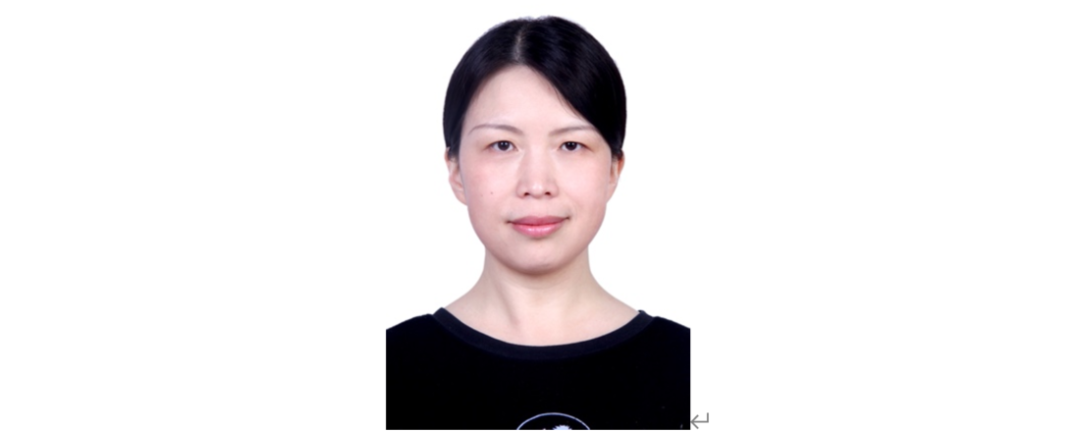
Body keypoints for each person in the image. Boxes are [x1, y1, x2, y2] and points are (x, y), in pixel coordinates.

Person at [386, 16, 690, 430]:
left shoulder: (689, 368)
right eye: (502, 145)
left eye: (571, 145)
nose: (536, 184)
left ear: (613, 170)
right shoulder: (389, 369)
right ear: (455, 170)